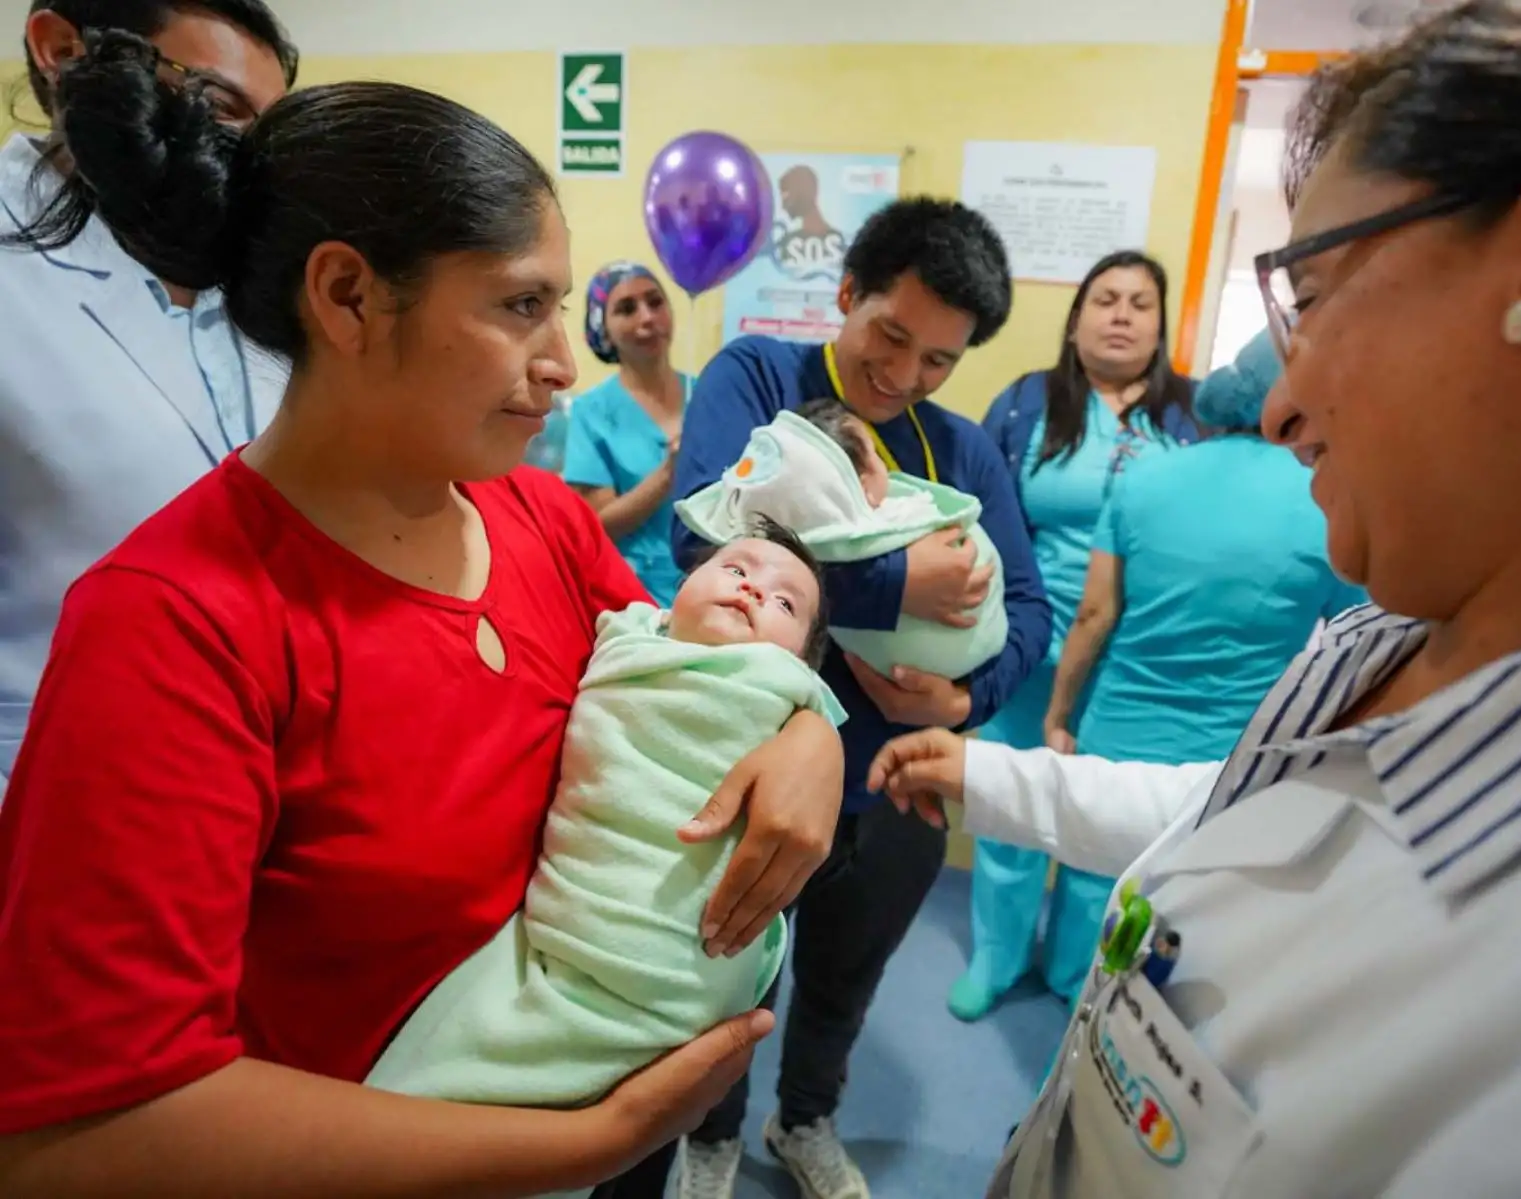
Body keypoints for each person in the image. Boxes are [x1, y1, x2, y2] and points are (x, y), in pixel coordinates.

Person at [869, 0, 1521, 1193]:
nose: (1275, 408)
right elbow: (1260, 815)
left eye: (1310, 298)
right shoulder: (1399, 627)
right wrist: (995, 775)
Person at [0, 75, 846, 1199]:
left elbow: (696, 662)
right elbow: (83, 1133)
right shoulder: (176, 624)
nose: (563, 361)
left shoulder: (538, 522)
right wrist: (588, 1143)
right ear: (347, 296)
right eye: (519, 308)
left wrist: (811, 731)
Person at [669, 197, 1051, 1199]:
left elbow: (1031, 604)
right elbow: (704, 542)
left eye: (938, 359)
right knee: (727, 964)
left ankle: (806, 1119)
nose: (904, 374)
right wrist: (897, 586)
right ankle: (709, 1133)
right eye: (891, 334)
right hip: (752, 757)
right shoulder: (756, 380)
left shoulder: (958, 450)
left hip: (896, 780)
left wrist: (966, 702)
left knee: (846, 975)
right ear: (847, 294)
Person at [369, 523, 843, 1113]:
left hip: (672, 947)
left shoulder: (782, 687)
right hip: (574, 910)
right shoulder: (628, 634)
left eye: (783, 603)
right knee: (477, 1054)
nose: (752, 591)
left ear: (801, 658)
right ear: (681, 586)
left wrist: (820, 733)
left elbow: (820, 718)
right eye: (737, 569)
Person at [0, 0, 296, 785]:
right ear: (62, 48)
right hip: (44, 789)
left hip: (243, 786)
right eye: (219, 104)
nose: (239, 149)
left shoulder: (255, 277)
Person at [955, 250, 1208, 1021]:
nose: (1122, 314)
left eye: (1140, 301)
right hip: (1024, 647)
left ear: (1162, 325)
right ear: (1076, 319)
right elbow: (980, 515)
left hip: (1129, 663)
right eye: (1105, 299)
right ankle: (997, 958)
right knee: (1008, 808)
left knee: (1109, 820)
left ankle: (1075, 964)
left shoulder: (1191, 418)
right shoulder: (1026, 403)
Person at [1043, 326, 1365, 794]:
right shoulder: (1327, 501)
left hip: (1115, 745)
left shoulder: (1143, 476)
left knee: (1098, 865)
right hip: (1234, 766)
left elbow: (1093, 615)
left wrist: (1058, 716)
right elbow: (1354, 640)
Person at [676, 398, 1010, 682]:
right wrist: (895, 583)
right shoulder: (902, 513)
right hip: (952, 653)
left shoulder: (968, 445)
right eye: (877, 456)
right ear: (862, 483)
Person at [562, 262, 692, 605]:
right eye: (627, 309)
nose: (647, 317)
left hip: (706, 588)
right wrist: (667, 474)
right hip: (631, 601)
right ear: (602, 328)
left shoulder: (707, 394)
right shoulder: (592, 412)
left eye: (655, 301)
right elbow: (597, 526)